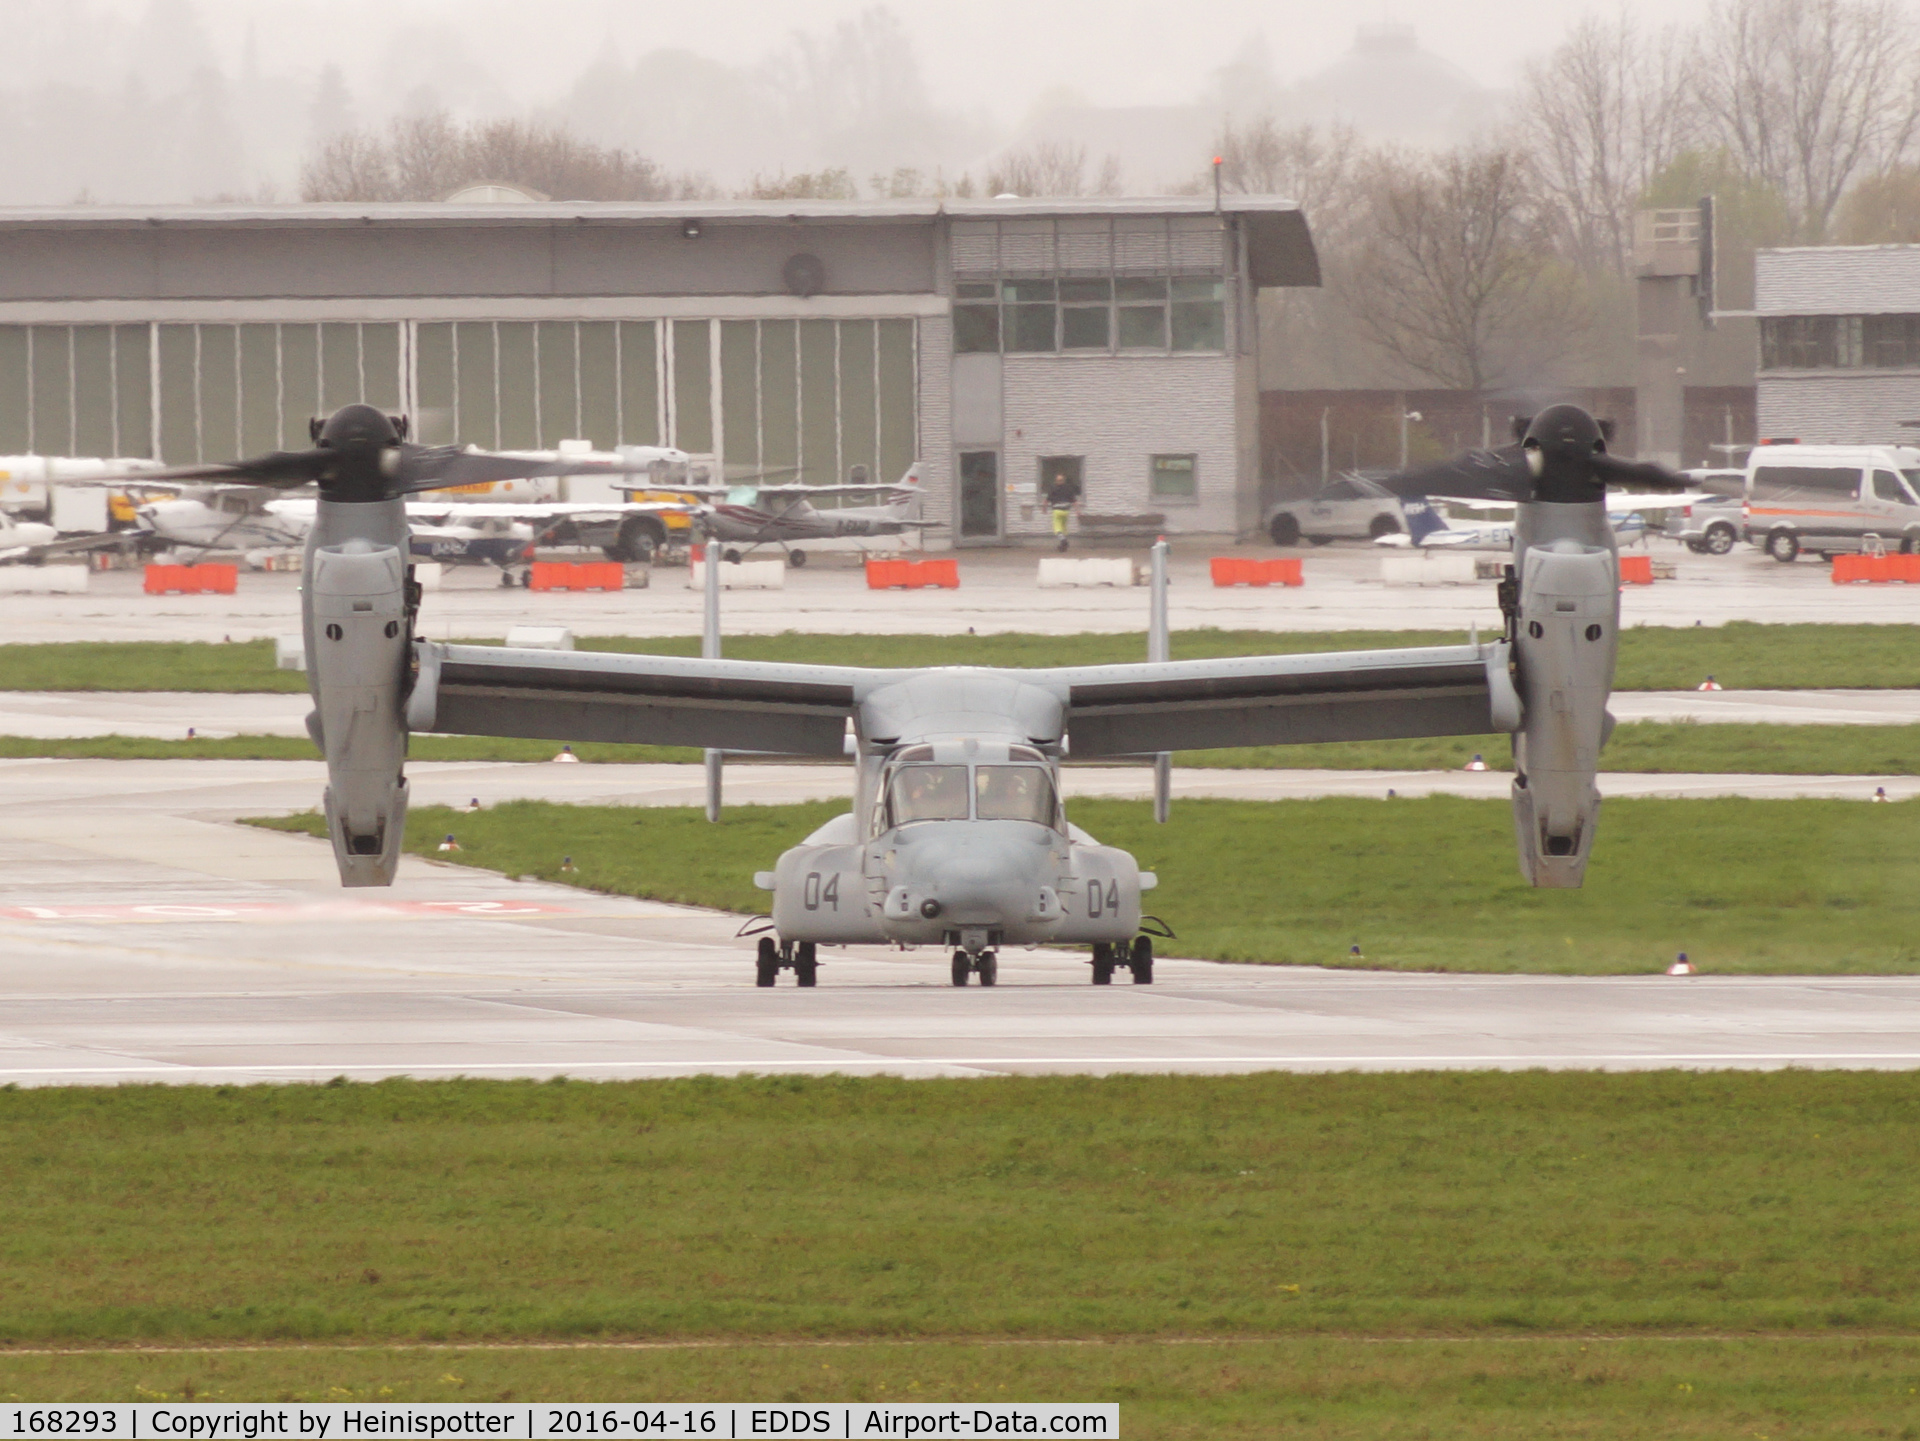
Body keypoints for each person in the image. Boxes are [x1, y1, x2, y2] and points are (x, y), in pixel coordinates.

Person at [1044, 469, 1080, 552]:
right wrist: (1077, 511)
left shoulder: (1053, 488)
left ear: (1056, 481)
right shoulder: (1068, 489)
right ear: (1064, 481)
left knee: (1057, 528)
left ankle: (1064, 541)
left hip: (1057, 511)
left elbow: (1046, 500)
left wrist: (1044, 509)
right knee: (1063, 527)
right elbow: (1074, 501)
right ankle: (1062, 546)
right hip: (1066, 511)